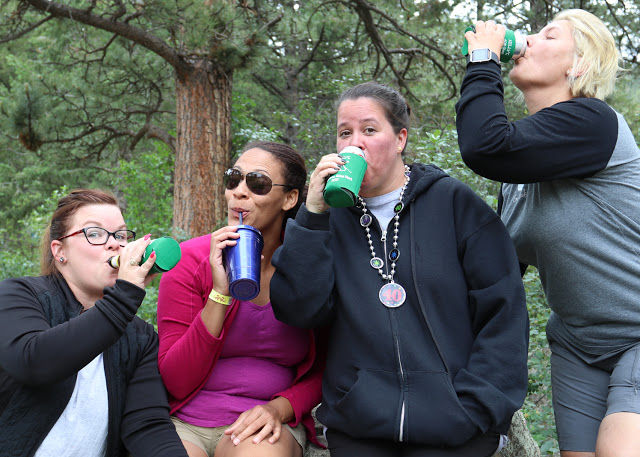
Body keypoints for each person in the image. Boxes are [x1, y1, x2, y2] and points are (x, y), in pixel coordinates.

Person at [269, 81, 529, 457]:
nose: (355, 143)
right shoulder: (327, 220)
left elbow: (503, 311)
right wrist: (311, 216)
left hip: (457, 422)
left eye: (369, 130)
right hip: (360, 424)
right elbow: (298, 310)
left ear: (400, 139)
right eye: (345, 133)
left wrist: (478, 407)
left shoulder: (453, 203)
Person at [456, 9, 640, 457]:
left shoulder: (594, 122)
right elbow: (498, 275)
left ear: (579, 65)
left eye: (549, 35)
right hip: (578, 344)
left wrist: (482, 58)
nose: (531, 40)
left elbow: (483, 145)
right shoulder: (517, 177)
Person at [157, 141, 325, 457]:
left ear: (289, 198)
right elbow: (176, 381)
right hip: (186, 421)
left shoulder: (307, 267)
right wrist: (219, 294)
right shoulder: (190, 261)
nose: (239, 192)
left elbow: (326, 367)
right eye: (233, 179)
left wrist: (280, 408)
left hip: (265, 422)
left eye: (257, 183)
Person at [0, 188, 188, 457]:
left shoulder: (140, 337)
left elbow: (147, 426)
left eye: (120, 235)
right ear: (60, 251)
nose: (114, 245)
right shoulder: (18, 295)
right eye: (95, 233)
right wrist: (124, 298)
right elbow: (34, 362)